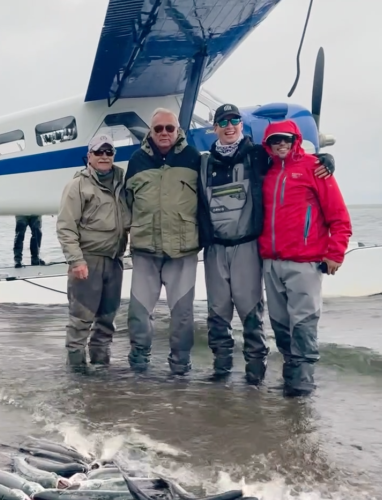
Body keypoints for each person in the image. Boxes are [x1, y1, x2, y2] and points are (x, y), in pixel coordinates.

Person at [196, 103, 335, 383]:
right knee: (217, 311)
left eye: (235, 120)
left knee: (250, 310)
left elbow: (290, 159)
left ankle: (255, 373)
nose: (229, 126)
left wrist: (323, 158)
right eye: (223, 122)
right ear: (215, 129)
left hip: (247, 246)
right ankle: (221, 370)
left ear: (241, 125)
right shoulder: (202, 161)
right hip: (215, 249)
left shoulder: (259, 156)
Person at [258, 119, 352, 397]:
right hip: (271, 263)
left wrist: (335, 253)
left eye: (286, 139)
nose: (281, 144)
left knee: (303, 324)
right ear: (268, 145)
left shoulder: (316, 169)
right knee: (280, 325)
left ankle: (302, 386)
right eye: (275, 140)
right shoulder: (268, 172)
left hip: (304, 264)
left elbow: (340, 218)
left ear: (295, 139)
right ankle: (290, 379)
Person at [123, 108, 204, 375]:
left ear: (178, 130)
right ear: (150, 132)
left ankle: (180, 369)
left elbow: (207, 200)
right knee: (137, 314)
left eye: (170, 128)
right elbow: (127, 205)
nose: (164, 133)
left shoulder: (193, 158)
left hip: (182, 251)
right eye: (158, 129)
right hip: (146, 251)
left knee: (182, 316)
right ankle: (138, 366)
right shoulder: (136, 161)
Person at [56, 134, 131, 368]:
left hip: (114, 260)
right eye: (99, 152)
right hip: (87, 260)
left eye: (109, 152)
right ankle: (76, 375)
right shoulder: (77, 185)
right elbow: (65, 227)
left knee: (107, 321)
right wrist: (76, 261)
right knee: (81, 320)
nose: (104, 156)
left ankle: (101, 374)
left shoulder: (123, 181)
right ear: (89, 156)